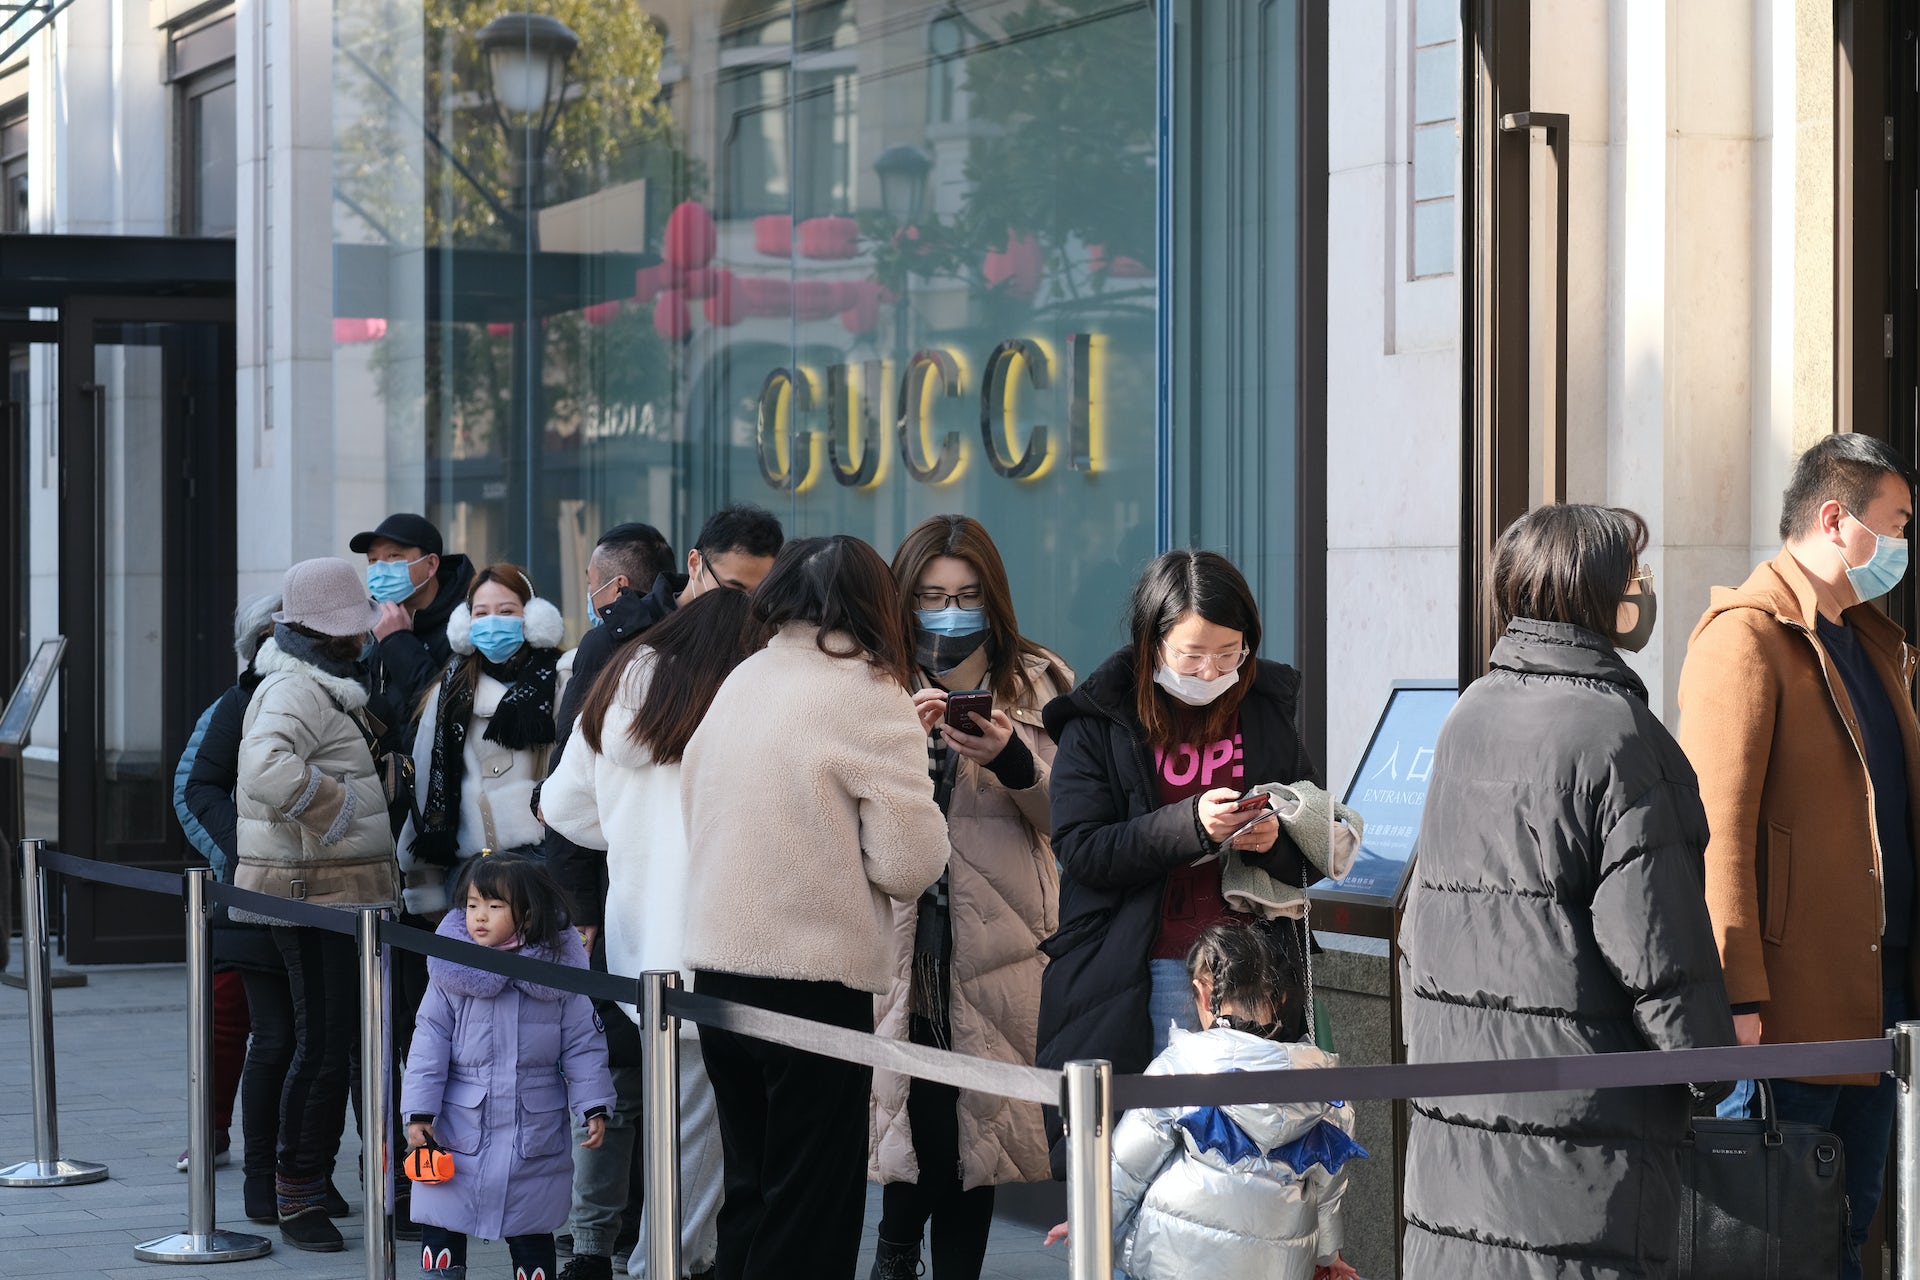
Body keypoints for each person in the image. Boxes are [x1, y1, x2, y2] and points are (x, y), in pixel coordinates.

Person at [1399, 504, 1734, 1278]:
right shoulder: (1618, 738)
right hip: (1581, 1139)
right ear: (1595, 595)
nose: (1644, 591)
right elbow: (1659, 943)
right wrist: (1711, 1068)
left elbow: (1422, 916)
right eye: (1634, 578)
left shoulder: (1469, 713)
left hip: (1463, 1118)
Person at [1678, 433, 1920, 1280]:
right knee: (1785, 1246)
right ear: (1834, 518)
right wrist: (1737, 993)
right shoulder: (1746, 638)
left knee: (1851, 1231)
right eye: (1895, 524)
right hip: (1786, 1007)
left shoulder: (1874, 645)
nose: (1901, 548)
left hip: (1877, 994)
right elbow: (1718, 830)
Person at [680, 535, 949, 1280]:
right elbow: (909, 862)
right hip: (811, 977)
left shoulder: (747, 676)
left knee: (751, 1189)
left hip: (718, 968)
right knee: (811, 1202)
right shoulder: (870, 689)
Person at [1036, 549, 1320, 1157]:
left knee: (1249, 1162)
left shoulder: (1264, 711)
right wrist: (1192, 824)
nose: (1211, 668)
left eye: (1229, 652)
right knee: (1159, 1156)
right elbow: (1081, 848)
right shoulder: (1099, 721)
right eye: (1192, 654)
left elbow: (1307, 831)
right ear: (1151, 644)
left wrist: (1273, 843)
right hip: (1153, 962)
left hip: (1255, 964)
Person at [868, 516, 1072, 1280]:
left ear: (992, 599)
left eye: (965, 596)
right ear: (902, 599)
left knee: (973, 1140)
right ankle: (894, 1253)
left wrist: (1014, 759)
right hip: (899, 941)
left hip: (996, 945)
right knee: (911, 1123)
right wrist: (904, 747)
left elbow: (1070, 821)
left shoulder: (1042, 680)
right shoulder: (873, 677)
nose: (948, 612)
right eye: (929, 597)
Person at [542, 588, 757, 1280]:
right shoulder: (745, 697)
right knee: (695, 1158)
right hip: (723, 951)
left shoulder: (620, 682)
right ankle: (659, 1268)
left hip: (642, 961)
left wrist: (634, 835)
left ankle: (663, 1261)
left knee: (677, 1140)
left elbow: (563, 808)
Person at [232, 557, 400, 1252]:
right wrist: (340, 808)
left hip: (330, 889)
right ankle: (297, 1191)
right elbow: (264, 767)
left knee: (328, 1046)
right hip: (313, 890)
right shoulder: (296, 689)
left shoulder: (319, 684)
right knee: (323, 1049)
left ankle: (300, 1185)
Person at [1044, 921, 1363, 1280]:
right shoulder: (1324, 1088)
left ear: (1203, 990)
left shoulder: (1183, 1065)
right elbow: (1329, 1185)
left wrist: (1089, 1222)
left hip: (1178, 1259)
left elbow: (1129, 1163)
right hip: (1278, 1265)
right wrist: (1328, 1254)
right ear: (1280, 998)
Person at [545, 506, 781, 972]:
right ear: (695, 564)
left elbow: (567, 802)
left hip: (693, 925)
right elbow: (569, 786)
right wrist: (581, 905)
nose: (743, 607)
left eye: (758, 594)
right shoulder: (618, 638)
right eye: (732, 589)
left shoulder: (767, 652)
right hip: (667, 921)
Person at [402, 854, 616, 1280]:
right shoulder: (452, 972)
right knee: (444, 1218)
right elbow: (427, 1045)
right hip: (460, 1124)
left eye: (495, 907)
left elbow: (584, 1044)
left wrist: (593, 1103)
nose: (480, 917)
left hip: (531, 1128)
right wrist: (419, 1113)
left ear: (528, 913)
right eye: (472, 905)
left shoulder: (558, 977)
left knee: (531, 1221)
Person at [170, 594, 281, 1205]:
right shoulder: (232, 704)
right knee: (228, 1011)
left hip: (327, 890)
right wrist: (238, 857)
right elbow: (192, 792)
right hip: (242, 886)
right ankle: (209, 1127)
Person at [399, 563, 566, 912]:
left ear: (532, 618)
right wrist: (424, 888)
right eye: (481, 612)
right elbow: (427, 784)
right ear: (466, 623)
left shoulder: (561, 681)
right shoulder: (450, 689)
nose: (493, 622)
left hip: (541, 865)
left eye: (507, 611)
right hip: (468, 871)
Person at [352, 513, 476, 755]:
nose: (380, 570)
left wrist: (397, 643)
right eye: (373, 561)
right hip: (389, 779)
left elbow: (445, 708)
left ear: (430, 565)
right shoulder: (373, 621)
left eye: (393, 557)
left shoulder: (465, 624)